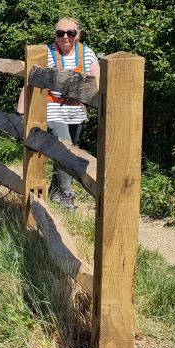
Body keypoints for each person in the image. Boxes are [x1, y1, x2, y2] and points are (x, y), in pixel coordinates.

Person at [26, 17, 100, 208]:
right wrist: (21, 110)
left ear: (78, 34)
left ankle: (54, 190)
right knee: (65, 147)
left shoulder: (88, 54)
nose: (65, 37)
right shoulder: (46, 54)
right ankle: (67, 196)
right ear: (56, 35)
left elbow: (97, 81)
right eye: (61, 33)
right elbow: (30, 79)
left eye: (70, 33)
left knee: (68, 150)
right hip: (52, 108)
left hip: (76, 110)